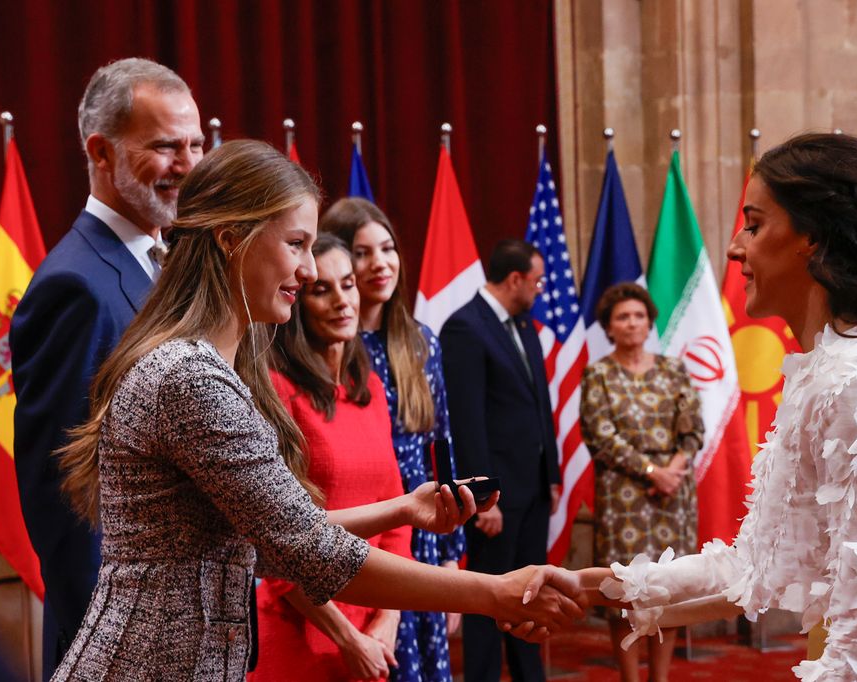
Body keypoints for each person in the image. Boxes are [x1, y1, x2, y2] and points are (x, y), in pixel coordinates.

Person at [50, 140, 582, 681]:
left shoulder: (204, 368)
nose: (307, 272)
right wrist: (498, 592)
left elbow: (272, 537)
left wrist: (400, 510)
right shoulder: (190, 378)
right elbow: (309, 550)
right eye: (297, 245)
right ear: (231, 240)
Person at [528, 133, 857, 681]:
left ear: (810, 238)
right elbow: (756, 565)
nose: (734, 248)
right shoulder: (829, 372)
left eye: (754, 223)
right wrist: (596, 585)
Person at [9, 57, 203, 678]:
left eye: (197, 145)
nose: (190, 165)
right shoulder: (76, 286)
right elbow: (64, 497)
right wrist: (113, 648)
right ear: (101, 150)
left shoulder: (166, 262)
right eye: (167, 147)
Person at [252, 232, 410, 681]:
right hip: (302, 631)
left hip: (374, 632)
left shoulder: (372, 390)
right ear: (297, 303)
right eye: (322, 290)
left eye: (348, 285)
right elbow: (272, 533)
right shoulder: (276, 390)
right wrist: (345, 636)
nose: (343, 301)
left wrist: (388, 619)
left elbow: (397, 514)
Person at [326, 197, 465, 682]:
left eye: (386, 248)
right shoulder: (329, 346)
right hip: (363, 521)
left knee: (424, 663)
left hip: (423, 526)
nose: (379, 263)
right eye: (362, 253)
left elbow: (441, 444)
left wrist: (452, 558)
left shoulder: (421, 339)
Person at [440, 239, 561, 682]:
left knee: (531, 593)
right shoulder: (464, 328)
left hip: (532, 490)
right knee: (488, 599)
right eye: (537, 281)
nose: (540, 289)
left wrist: (552, 475)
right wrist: (481, 495)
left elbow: (540, 403)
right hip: (496, 498)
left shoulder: (524, 326)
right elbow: (466, 419)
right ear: (515, 279)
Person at [580, 282, 702, 681]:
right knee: (625, 590)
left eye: (638, 315)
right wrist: (652, 472)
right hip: (623, 494)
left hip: (674, 495)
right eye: (622, 317)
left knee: (670, 590)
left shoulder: (673, 369)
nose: (632, 323)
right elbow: (600, 435)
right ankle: (631, 677)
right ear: (609, 327)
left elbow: (693, 430)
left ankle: (660, 677)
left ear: (650, 322)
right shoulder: (598, 374)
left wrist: (672, 471)